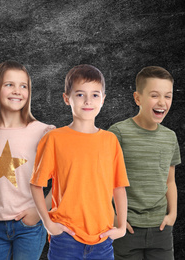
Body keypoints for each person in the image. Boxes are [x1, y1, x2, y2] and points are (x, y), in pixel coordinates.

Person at [30, 64, 130, 260]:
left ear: (103, 99)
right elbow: (36, 185)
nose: (88, 101)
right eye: (80, 94)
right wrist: (48, 223)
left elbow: (118, 188)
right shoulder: (54, 139)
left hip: (103, 239)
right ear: (67, 98)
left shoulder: (110, 141)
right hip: (66, 238)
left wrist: (121, 227)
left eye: (95, 95)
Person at [0, 60, 53, 260]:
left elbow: (64, 178)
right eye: (9, 84)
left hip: (29, 226)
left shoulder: (42, 132)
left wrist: (40, 210)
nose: (17, 91)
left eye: (23, 86)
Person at [109, 66, 181, 260]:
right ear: (137, 98)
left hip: (161, 230)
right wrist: (114, 217)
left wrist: (172, 214)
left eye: (168, 96)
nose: (162, 102)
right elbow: (103, 181)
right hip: (127, 230)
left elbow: (170, 181)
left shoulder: (170, 137)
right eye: (155, 95)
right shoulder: (118, 133)